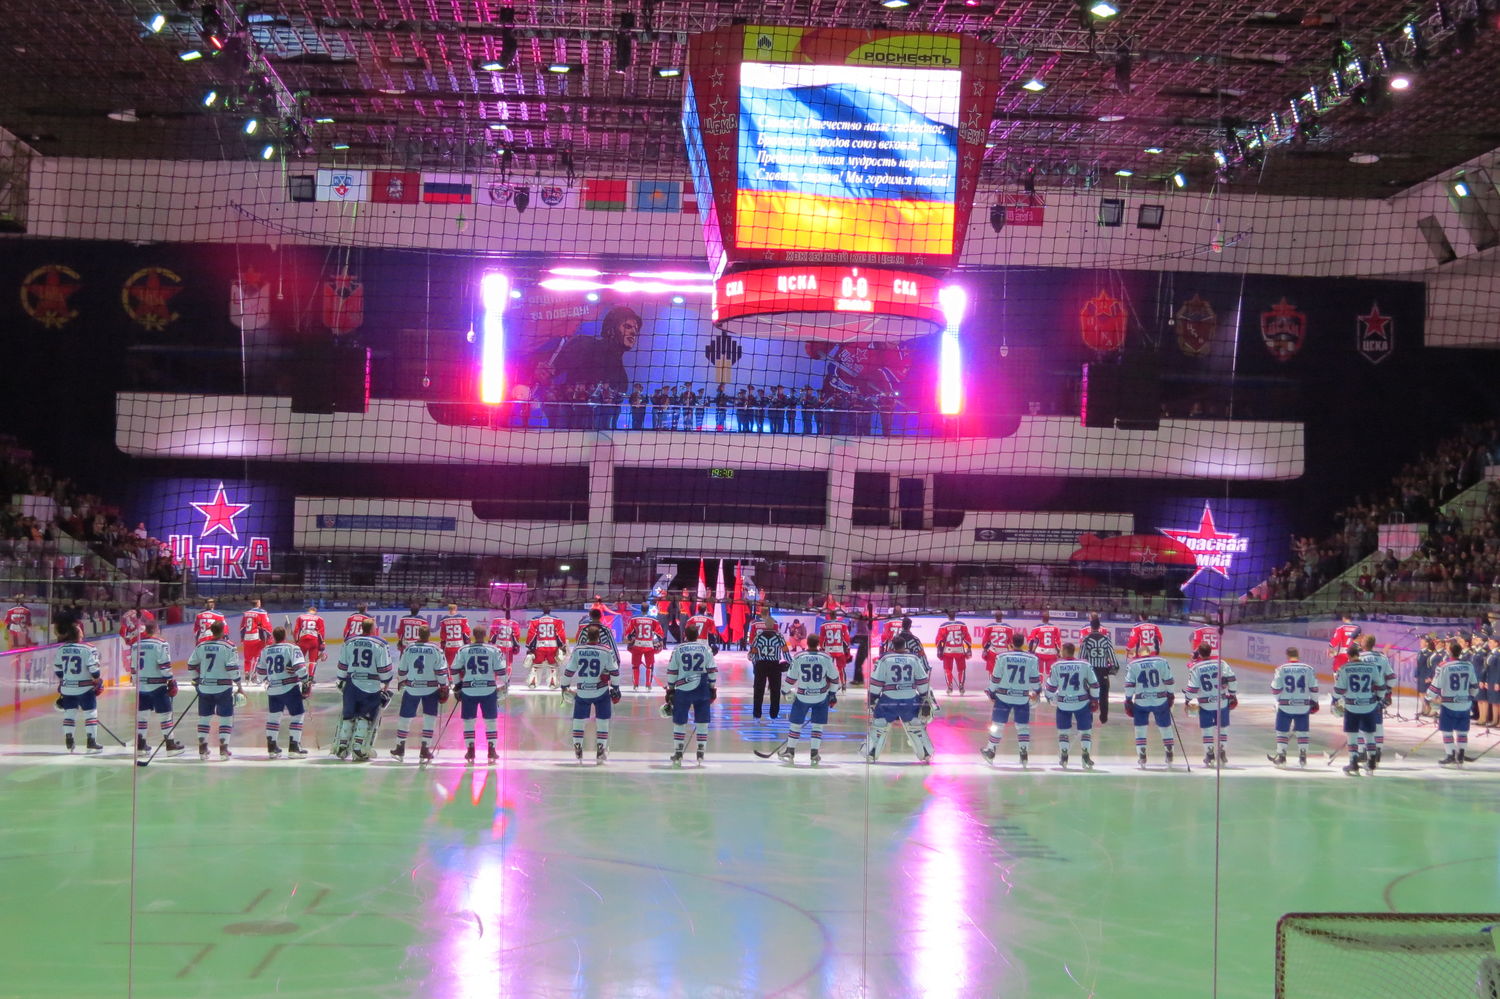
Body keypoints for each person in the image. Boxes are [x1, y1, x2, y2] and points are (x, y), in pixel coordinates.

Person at [859, 618, 934, 763]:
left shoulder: (885, 659)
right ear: (904, 645)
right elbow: (922, 681)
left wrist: (873, 697)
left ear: (892, 645)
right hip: (910, 699)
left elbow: (876, 681)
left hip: (889, 700)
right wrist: (924, 697)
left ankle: (871, 753)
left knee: (879, 726)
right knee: (916, 727)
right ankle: (926, 753)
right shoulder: (913, 659)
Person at [560, 611, 622, 764]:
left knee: (578, 719)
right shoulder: (606, 647)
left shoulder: (579, 647)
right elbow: (615, 667)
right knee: (603, 719)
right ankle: (601, 747)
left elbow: (569, 670)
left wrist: (564, 686)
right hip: (601, 688)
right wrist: (615, 687)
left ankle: (578, 745)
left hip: (583, 690)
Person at [334, 619, 393, 762]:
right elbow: (385, 670)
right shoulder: (380, 644)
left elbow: (342, 665)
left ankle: (342, 746)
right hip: (370, 685)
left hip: (351, 684)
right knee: (365, 717)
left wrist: (341, 680)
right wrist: (386, 682)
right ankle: (358, 747)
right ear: (373, 629)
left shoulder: (349, 641)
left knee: (348, 715)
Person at [392, 625, 449, 764]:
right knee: (429, 718)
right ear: (429, 635)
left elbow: (402, 668)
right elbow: (441, 671)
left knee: (405, 717)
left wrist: (401, 681)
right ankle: (425, 749)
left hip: (412, 687)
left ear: (418, 634)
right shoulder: (436, 649)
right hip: (430, 688)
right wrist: (444, 686)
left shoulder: (409, 648)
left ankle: (400, 747)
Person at [187, 620, 244, 760]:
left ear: (211, 630)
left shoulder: (201, 645)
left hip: (205, 687)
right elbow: (232, 668)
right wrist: (239, 686)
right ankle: (223, 750)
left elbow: (191, 664)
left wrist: (196, 681)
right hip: (223, 688)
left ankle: (202, 749)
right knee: (225, 718)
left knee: (204, 718)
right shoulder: (229, 646)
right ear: (224, 630)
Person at [778, 634, 838, 766]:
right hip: (821, 697)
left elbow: (791, 678)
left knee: (795, 724)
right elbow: (835, 678)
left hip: (803, 696)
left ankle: (790, 751)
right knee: (817, 726)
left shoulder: (799, 657)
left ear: (806, 643)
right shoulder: (826, 658)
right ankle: (814, 753)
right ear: (818, 643)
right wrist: (833, 694)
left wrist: (784, 690)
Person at [983, 634, 1041, 767]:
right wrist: (1037, 691)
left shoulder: (1002, 657)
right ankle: (1024, 753)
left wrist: (991, 691)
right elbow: (1035, 679)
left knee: (998, 725)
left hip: (1003, 696)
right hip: (1022, 697)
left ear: (1011, 643)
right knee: (1023, 726)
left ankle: (991, 751)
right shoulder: (1032, 659)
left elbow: (996, 677)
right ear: (1023, 643)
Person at [453, 627, 509, 764]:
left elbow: (454, 669)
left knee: (469, 721)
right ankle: (492, 749)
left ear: (473, 635)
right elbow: (501, 671)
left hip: (469, 689)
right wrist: (506, 684)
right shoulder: (493, 650)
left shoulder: (463, 650)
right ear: (485, 635)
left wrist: (458, 685)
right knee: (491, 721)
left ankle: (470, 749)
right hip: (488, 690)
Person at [664, 623, 718, 767]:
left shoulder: (678, 649)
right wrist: (712, 688)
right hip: (702, 689)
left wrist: (670, 689)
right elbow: (712, 670)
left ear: (685, 635)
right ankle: (701, 750)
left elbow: (672, 671)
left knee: (679, 721)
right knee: (702, 721)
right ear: (698, 635)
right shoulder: (706, 649)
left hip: (683, 689)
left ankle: (678, 751)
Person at [1331, 644, 1388, 776]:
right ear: (1359, 654)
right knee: (1369, 734)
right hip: (1369, 705)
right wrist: (1378, 698)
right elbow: (1381, 686)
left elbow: (1339, 689)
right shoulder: (1371, 667)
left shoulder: (1345, 668)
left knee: (1352, 735)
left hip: (1352, 706)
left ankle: (1354, 762)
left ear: (1348, 656)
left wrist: (1334, 700)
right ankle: (1372, 762)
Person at [127, 621, 181, 755]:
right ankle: (170, 744)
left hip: (142, 685)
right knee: (165, 714)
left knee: (142, 716)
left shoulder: (135, 645)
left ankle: (141, 745)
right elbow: (164, 665)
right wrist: (170, 679)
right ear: (157, 629)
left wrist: (136, 682)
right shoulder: (161, 644)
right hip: (157, 685)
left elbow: (133, 667)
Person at [258, 627, 312, 758]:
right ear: (285, 635)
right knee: (297, 715)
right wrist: (305, 680)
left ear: (273, 636)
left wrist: (268, 680)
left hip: (273, 688)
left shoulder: (266, 650)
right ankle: (294, 748)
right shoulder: (292, 648)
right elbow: (300, 668)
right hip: (290, 687)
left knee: (274, 717)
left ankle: (272, 748)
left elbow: (260, 672)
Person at [1045, 642, 1100, 770]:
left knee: (1063, 732)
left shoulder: (1056, 665)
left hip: (1063, 703)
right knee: (1086, 731)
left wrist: (1050, 698)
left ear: (1064, 651)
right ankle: (1086, 754)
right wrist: (1094, 700)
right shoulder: (1085, 665)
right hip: (1082, 702)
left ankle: (1064, 755)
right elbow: (1094, 684)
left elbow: (1050, 688)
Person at [1182, 643, 1238, 768]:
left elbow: (1192, 688)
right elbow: (1232, 679)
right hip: (1222, 702)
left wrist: (1187, 700)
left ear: (1199, 653)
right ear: (1211, 651)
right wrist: (1233, 694)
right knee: (1223, 728)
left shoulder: (1196, 667)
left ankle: (1210, 754)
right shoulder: (1221, 663)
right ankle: (1222, 752)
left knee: (1207, 729)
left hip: (1205, 704)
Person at [53, 622, 103, 753]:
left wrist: (65, 681)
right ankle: (91, 741)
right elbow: (94, 670)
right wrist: (98, 681)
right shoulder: (89, 648)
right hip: (85, 688)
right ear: (79, 634)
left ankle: (69, 739)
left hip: (67, 688)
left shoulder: (61, 649)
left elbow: (58, 670)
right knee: (90, 713)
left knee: (69, 713)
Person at [1428, 641, 1480, 766]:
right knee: (1462, 731)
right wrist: (1470, 697)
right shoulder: (1468, 665)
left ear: (1449, 651)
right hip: (1465, 704)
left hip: (1449, 704)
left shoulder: (1444, 666)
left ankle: (1450, 754)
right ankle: (1461, 754)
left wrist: (1429, 697)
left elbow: (1436, 685)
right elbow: (1475, 686)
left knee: (1447, 731)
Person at [1267, 647, 1319, 768]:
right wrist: (1315, 702)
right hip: (1303, 705)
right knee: (1303, 731)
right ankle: (1303, 757)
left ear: (1287, 656)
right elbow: (1314, 688)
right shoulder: (1308, 669)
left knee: (1282, 731)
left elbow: (1275, 688)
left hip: (1285, 706)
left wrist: (1278, 700)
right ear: (1298, 655)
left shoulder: (1281, 669)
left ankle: (1282, 757)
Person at [1124, 652, 1176, 768]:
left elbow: (1129, 685)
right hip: (1160, 699)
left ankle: (1142, 755)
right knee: (1165, 728)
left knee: (1140, 729)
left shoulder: (1133, 664)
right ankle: (1169, 752)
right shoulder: (1161, 662)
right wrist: (1171, 695)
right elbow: (1169, 680)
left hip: (1141, 701)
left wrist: (1128, 700)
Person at [1357, 635, 1397, 758]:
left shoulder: (1358, 658)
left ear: (1363, 644)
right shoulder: (1382, 658)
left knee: (1360, 723)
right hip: (1378, 696)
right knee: (1378, 722)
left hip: (1362, 696)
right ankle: (1378, 750)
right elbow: (1392, 679)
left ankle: (1362, 751)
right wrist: (1387, 691)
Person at [749, 611, 790, 722]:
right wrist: (791, 663)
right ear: (774, 625)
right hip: (775, 665)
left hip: (761, 665)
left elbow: (752, 653)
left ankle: (757, 715)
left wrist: (754, 661)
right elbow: (785, 652)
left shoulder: (758, 636)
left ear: (766, 625)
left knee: (758, 691)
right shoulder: (779, 636)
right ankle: (774, 715)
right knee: (775, 691)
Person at [1079, 614, 1119, 723]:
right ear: (1099, 626)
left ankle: (1089, 716)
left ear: (1091, 627)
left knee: (1089, 694)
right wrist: (1113, 669)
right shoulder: (1106, 639)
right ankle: (1103, 718)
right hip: (1103, 672)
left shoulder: (1086, 639)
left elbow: (1081, 658)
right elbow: (1113, 657)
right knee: (1104, 695)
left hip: (1090, 671)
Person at [626, 607, 665, 688]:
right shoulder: (654, 619)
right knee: (649, 666)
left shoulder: (634, 619)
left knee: (635, 666)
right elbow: (659, 633)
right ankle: (648, 685)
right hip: (649, 645)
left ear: (641, 609)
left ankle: (635, 684)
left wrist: (629, 641)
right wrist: (661, 643)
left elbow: (628, 633)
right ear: (648, 609)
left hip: (637, 645)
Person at [936, 609, 973, 695]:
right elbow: (967, 638)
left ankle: (950, 687)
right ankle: (961, 686)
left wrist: (939, 650)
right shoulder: (962, 625)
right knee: (961, 669)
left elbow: (939, 640)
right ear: (955, 615)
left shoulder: (943, 626)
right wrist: (969, 648)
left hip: (948, 651)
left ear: (947, 616)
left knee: (947, 669)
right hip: (959, 650)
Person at [239, 598, 272, 681]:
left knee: (247, 658)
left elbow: (242, 628)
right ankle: (254, 674)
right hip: (257, 637)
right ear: (258, 604)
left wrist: (242, 638)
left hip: (247, 637)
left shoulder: (246, 613)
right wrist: (269, 636)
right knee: (257, 657)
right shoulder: (262, 612)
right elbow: (267, 626)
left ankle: (247, 673)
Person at [979, 611, 1014, 684]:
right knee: (1003, 669)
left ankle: (992, 685)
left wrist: (985, 650)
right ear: (1002, 617)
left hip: (992, 651)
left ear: (995, 617)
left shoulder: (989, 627)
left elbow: (985, 641)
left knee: (991, 670)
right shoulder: (1008, 627)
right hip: (1004, 652)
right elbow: (1011, 642)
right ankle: (1002, 685)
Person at [1027, 610, 1062, 683]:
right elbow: (1057, 642)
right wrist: (1058, 652)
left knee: (1039, 671)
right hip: (1052, 652)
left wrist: (1030, 650)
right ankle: (1050, 686)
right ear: (1049, 618)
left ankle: (1039, 686)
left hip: (1040, 652)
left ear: (1042, 618)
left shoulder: (1036, 628)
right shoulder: (1055, 628)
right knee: (1050, 672)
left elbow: (1031, 640)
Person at [818, 614, 852, 687]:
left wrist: (822, 647)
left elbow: (821, 638)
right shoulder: (843, 625)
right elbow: (847, 638)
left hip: (829, 650)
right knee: (841, 668)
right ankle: (843, 684)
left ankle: (828, 685)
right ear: (836, 617)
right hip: (839, 649)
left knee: (828, 668)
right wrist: (848, 648)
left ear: (829, 617)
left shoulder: (823, 625)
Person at [294, 605, 326, 679]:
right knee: (313, 660)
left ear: (308, 611)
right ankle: (311, 676)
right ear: (315, 612)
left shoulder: (300, 617)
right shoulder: (319, 618)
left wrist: (297, 641)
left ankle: (300, 676)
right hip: (314, 641)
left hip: (302, 640)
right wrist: (322, 643)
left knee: (300, 659)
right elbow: (321, 633)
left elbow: (296, 630)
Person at [437, 603, 472, 669]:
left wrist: (442, 648)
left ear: (448, 609)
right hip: (460, 646)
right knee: (461, 667)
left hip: (449, 647)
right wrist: (468, 644)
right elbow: (466, 634)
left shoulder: (444, 620)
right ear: (456, 608)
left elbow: (443, 637)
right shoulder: (462, 618)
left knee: (449, 667)